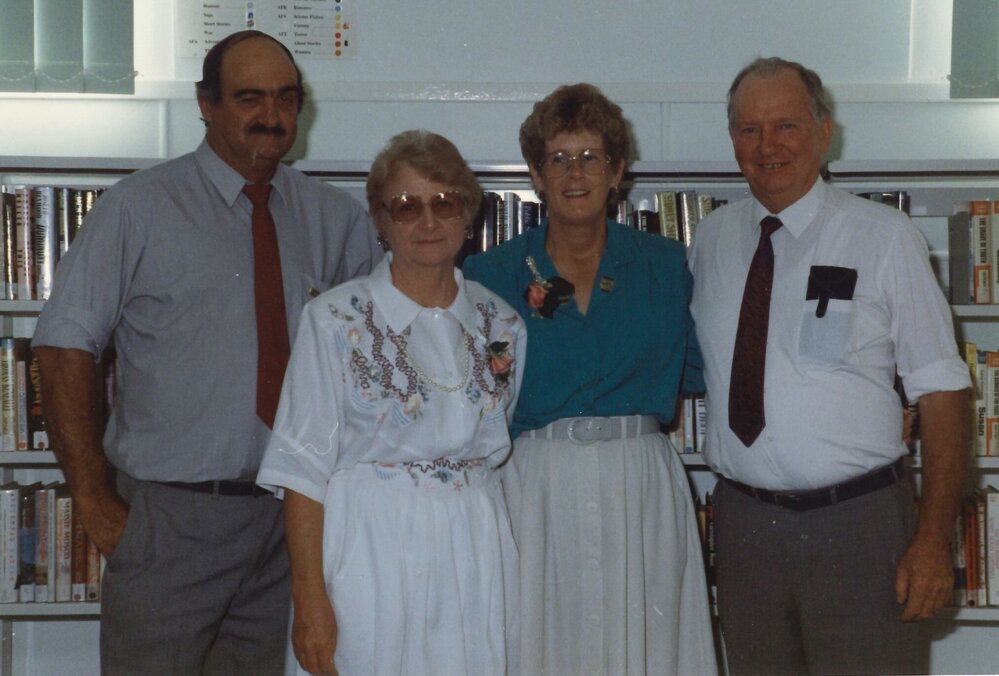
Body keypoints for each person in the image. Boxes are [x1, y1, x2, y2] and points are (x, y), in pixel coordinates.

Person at [32, 30, 381, 675]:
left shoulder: (337, 221)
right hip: (169, 522)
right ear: (205, 103)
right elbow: (60, 350)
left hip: (291, 527)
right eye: (250, 97)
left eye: (285, 98)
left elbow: (374, 361)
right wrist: (94, 505)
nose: (271, 116)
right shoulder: (136, 209)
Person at [688, 57, 971, 675]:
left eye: (786, 126)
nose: (768, 146)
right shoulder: (709, 241)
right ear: (732, 138)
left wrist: (931, 539)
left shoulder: (884, 237)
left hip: (859, 527)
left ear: (824, 132)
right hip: (744, 527)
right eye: (748, 129)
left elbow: (943, 391)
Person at [463, 83, 717, 676]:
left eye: (590, 158)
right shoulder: (490, 272)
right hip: (536, 483)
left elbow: (695, 369)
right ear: (535, 173)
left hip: (639, 482)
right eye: (557, 158)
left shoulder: (664, 263)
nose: (574, 174)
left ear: (617, 170)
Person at [256, 130, 527, 676]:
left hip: (474, 546)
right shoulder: (334, 320)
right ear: (381, 222)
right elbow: (302, 473)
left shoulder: (503, 324)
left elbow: (496, 444)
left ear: (468, 216)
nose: (427, 222)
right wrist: (310, 602)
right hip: (368, 546)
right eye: (405, 207)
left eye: (444, 203)